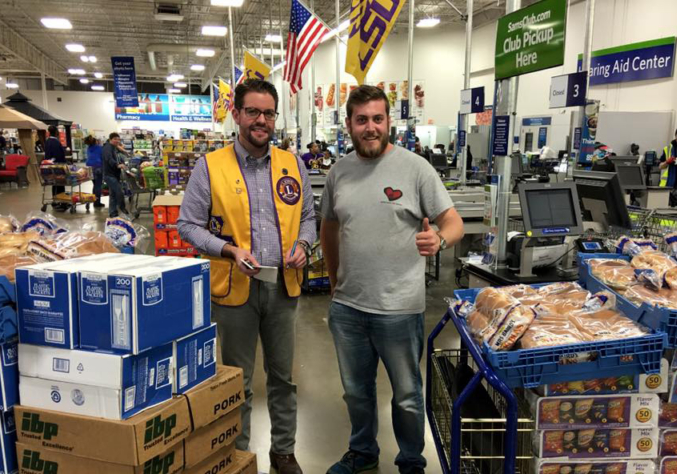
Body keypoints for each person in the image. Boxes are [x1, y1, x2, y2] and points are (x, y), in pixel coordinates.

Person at [320, 85, 464, 474]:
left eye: (377, 119)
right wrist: (334, 281)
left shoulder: (416, 169)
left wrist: (439, 239)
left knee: (407, 395)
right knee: (356, 392)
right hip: (348, 308)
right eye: (362, 120)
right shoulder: (338, 172)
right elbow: (329, 228)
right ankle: (363, 451)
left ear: (389, 122)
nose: (370, 127)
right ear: (349, 124)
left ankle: (411, 460)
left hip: (399, 308)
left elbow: (454, 222)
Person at [177, 79, 314, 474]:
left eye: (268, 113)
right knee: (237, 380)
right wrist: (229, 250)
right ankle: (238, 454)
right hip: (234, 290)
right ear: (236, 114)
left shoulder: (292, 164)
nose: (261, 120)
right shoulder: (210, 166)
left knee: (283, 378)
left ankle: (283, 452)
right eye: (253, 111)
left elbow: (308, 216)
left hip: (283, 288)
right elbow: (188, 225)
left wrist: (304, 245)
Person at [102, 132, 127, 218]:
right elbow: (108, 159)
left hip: (114, 174)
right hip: (109, 175)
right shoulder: (107, 148)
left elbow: (118, 154)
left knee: (113, 194)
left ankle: (113, 212)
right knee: (119, 192)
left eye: (118, 139)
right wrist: (117, 165)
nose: (117, 141)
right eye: (115, 139)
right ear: (110, 139)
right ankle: (123, 209)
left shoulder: (113, 147)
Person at [44, 125, 67, 210]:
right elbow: (60, 155)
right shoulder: (56, 142)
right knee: (61, 184)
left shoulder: (47, 141)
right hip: (58, 166)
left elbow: (47, 155)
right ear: (56, 132)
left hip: (50, 165)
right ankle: (61, 201)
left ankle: (55, 200)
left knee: (54, 184)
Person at [84, 136, 105, 208]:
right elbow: (103, 157)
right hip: (98, 167)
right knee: (98, 185)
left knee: (95, 185)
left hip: (89, 168)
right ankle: (97, 203)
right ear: (96, 141)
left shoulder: (89, 148)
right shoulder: (100, 148)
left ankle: (94, 199)